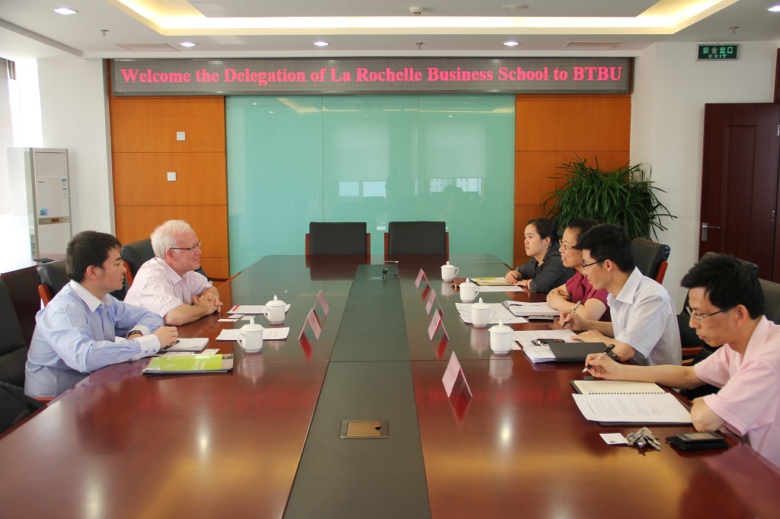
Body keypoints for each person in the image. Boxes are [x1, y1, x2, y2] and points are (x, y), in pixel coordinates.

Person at [585, 254, 780, 469]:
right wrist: (617, 371)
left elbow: (705, 420)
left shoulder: (770, 357)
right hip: (742, 458)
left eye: (700, 315)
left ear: (739, 314)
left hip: (766, 475)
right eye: (691, 313)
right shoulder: (737, 344)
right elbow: (689, 375)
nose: (693, 324)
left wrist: (703, 403)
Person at [25, 231, 178, 398]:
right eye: (117, 264)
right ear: (93, 272)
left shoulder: (104, 300)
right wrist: (149, 342)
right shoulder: (62, 311)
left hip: (93, 389)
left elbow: (151, 317)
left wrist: (137, 334)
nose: (123, 269)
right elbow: (85, 357)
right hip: (55, 403)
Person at [561, 223, 680, 366]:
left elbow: (624, 351)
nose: (585, 272)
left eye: (586, 264)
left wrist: (598, 338)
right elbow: (625, 330)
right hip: (626, 369)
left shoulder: (652, 297)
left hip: (652, 378)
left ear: (607, 265)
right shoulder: (617, 291)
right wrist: (585, 324)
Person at [124, 220, 222, 326]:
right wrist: (204, 308)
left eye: (197, 244)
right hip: (143, 335)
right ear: (171, 254)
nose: (199, 251)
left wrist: (210, 299)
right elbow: (174, 317)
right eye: (191, 248)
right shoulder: (152, 277)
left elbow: (209, 288)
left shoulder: (183, 270)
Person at [546, 218, 610, 322]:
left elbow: (588, 316)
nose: (560, 249)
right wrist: (557, 300)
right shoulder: (580, 274)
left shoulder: (601, 275)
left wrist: (557, 302)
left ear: (585, 249)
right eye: (561, 243)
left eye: (566, 246)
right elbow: (553, 293)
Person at [504, 218, 573, 293]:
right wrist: (514, 275)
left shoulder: (558, 258)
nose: (525, 241)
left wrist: (527, 282)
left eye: (530, 237)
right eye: (525, 237)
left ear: (546, 240)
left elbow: (538, 286)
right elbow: (522, 270)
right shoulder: (536, 258)